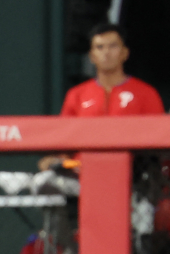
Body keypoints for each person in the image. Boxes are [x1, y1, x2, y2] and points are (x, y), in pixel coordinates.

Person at [39, 23, 164, 171]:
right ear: (92, 56)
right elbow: (64, 144)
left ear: (125, 53)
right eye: (100, 47)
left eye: (113, 46)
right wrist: (57, 162)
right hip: (82, 172)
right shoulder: (76, 94)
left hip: (132, 175)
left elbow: (159, 143)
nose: (106, 53)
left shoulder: (146, 93)